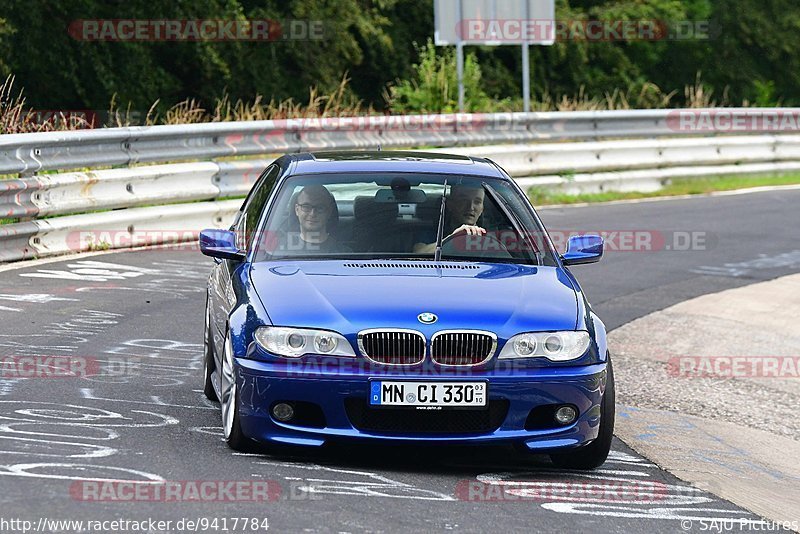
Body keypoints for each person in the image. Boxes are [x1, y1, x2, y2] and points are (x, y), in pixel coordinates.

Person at [413, 184, 487, 254]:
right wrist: (454, 238)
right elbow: (418, 252)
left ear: (482, 209)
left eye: (477, 202)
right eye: (464, 201)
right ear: (450, 205)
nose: (471, 207)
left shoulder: (490, 236)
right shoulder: (432, 233)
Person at [283, 184, 342, 253]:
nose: (312, 214)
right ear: (296, 210)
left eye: (320, 208)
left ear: (329, 212)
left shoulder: (344, 253)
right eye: (306, 207)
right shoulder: (279, 251)